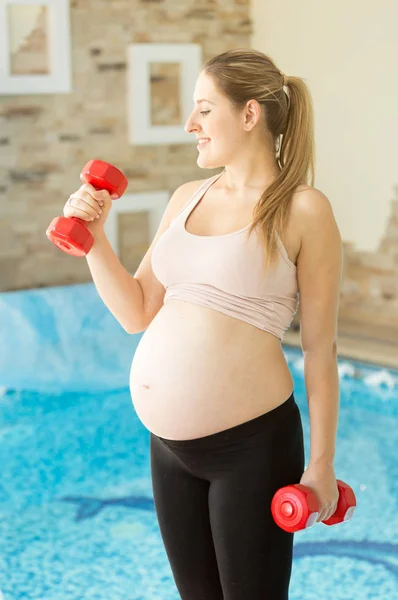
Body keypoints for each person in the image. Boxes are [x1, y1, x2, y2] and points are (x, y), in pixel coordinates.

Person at [64, 48, 342, 599]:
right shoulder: (187, 198)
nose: (191, 125)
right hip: (168, 448)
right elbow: (136, 311)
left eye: (204, 110)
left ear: (249, 114)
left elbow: (320, 349)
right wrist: (94, 240)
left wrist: (322, 465)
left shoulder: (303, 209)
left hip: (251, 449)